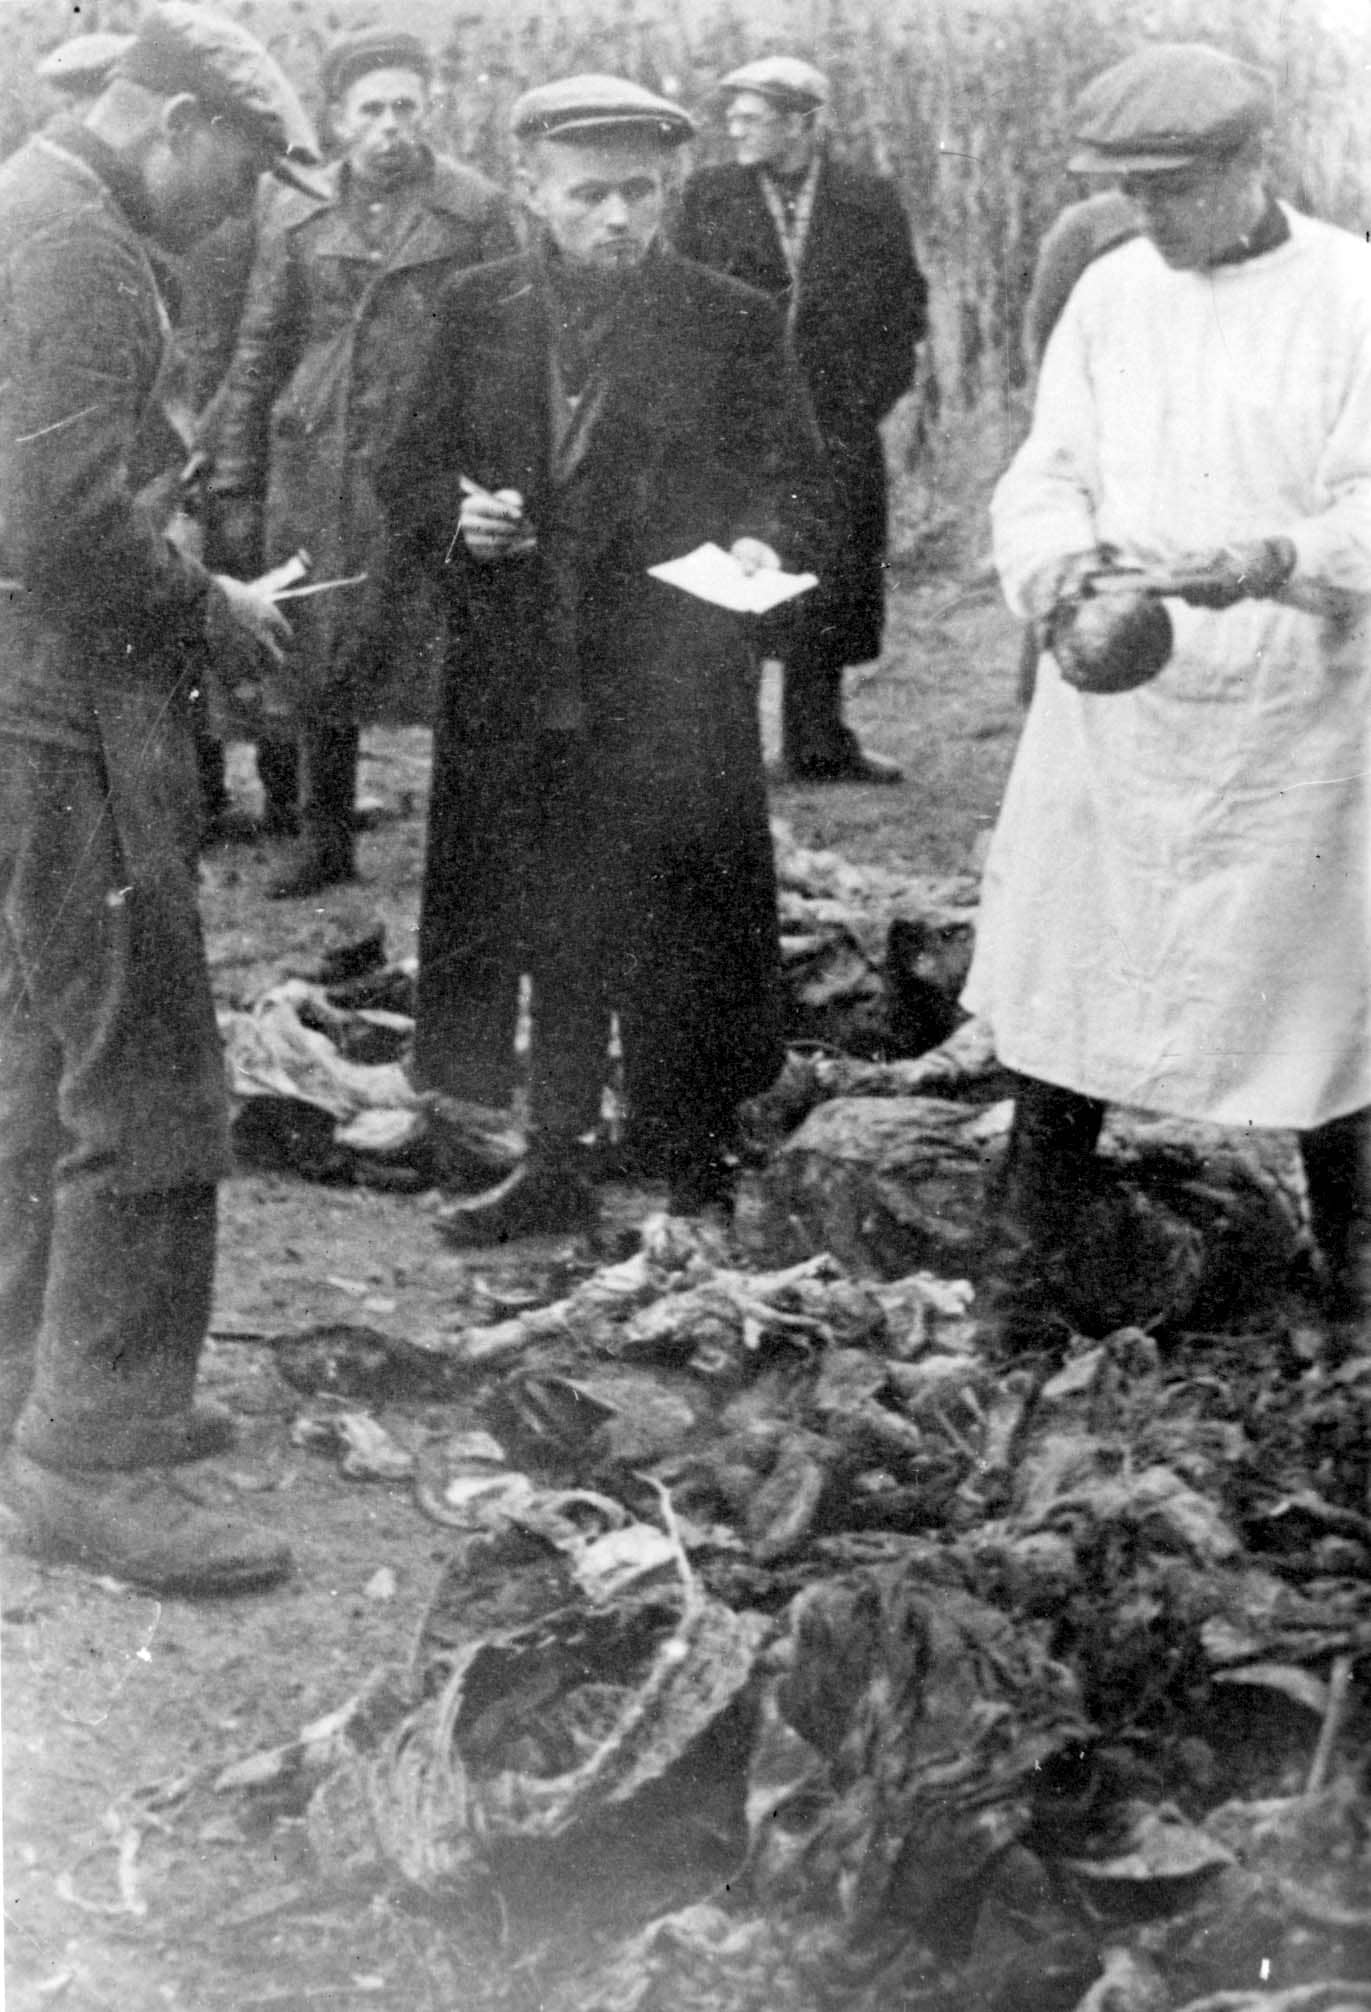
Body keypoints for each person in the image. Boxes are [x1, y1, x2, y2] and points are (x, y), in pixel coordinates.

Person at [964, 43, 1371, 1354]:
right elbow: (1043, 475)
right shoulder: (1108, 296)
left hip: (1292, 709)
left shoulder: (1348, 297)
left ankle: (1351, 1278)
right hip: (1120, 703)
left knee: (1324, 995)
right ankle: (1020, 1278)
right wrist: (1058, 573)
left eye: (1169, 189)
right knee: (1065, 974)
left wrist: (1271, 558)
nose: (1143, 216)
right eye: (1125, 192)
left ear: (1248, 166)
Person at [377, 73, 832, 1237]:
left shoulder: (729, 317)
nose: (619, 217)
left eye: (639, 191)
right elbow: (405, 467)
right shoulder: (476, 310)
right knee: (549, 915)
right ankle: (556, 1158)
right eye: (589, 195)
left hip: (671, 680)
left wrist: (756, 539)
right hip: (523, 678)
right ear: (533, 191)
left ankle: (692, 1169)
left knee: (681, 918)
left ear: (671, 183)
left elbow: (799, 482)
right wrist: (457, 515)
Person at [0, 1, 320, 1592]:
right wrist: (214, 606)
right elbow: (61, 520)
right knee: (146, 1074)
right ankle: (94, 1459)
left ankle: (33, 1392)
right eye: (251, 168)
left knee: (41, 1045)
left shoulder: (28, 203)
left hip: (25, 694)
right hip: (67, 703)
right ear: (183, 127)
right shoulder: (80, 247)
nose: (245, 204)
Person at [209, 29, 517, 898]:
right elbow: (260, 344)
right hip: (318, 462)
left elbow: (508, 345)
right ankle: (323, 836)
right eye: (370, 110)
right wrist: (235, 479)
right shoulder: (297, 208)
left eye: (404, 108)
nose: (389, 127)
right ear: (340, 117)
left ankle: (477, 845)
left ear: (428, 111)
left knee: (453, 648)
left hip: (426, 461)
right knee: (318, 649)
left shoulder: (475, 209)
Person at [675, 55, 927, 784]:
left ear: (801, 123)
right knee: (738, 569)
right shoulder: (708, 194)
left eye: (752, 117)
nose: (735, 128)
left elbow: (903, 308)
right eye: (734, 116)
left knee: (834, 574)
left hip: (837, 425)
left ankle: (817, 740)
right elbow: (683, 306)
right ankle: (723, 750)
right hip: (737, 428)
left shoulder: (865, 198)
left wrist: (862, 402)